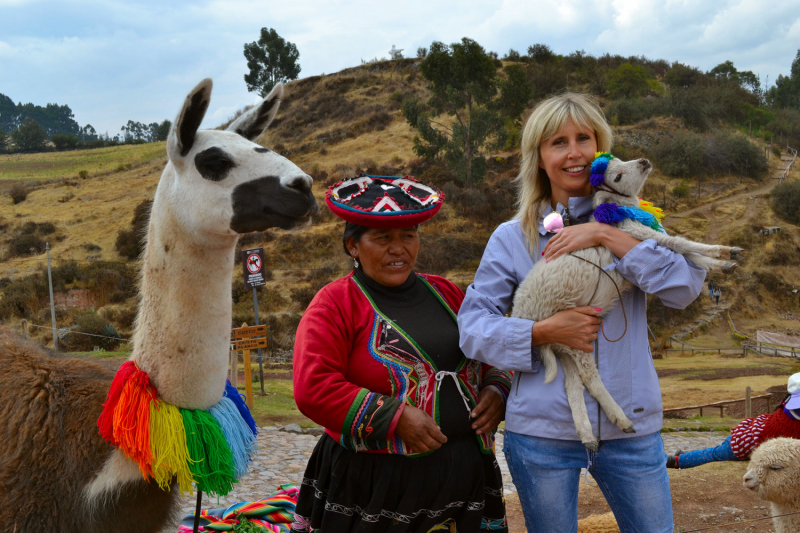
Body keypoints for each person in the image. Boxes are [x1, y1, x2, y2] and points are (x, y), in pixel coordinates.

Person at [458, 93, 706, 533]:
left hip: (632, 433)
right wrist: (541, 331)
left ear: (601, 148)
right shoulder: (511, 238)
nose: (574, 152)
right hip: (540, 437)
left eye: (584, 139)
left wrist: (608, 237)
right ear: (538, 157)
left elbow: (685, 289)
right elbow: (474, 329)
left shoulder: (638, 223)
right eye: (558, 142)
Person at [290, 175, 512, 533]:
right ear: (353, 246)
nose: (399, 248)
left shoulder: (446, 292)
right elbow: (313, 387)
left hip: (464, 478)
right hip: (373, 487)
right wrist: (394, 417)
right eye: (383, 238)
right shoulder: (334, 304)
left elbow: (489, 347)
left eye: (408, 235)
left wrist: (496, 388)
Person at [667, 373, 800, 469]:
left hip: (750, 430)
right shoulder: (792, 421)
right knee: (714, 454)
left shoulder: (787, 406)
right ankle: (678, 461)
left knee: (715, 450)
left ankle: (687, 455)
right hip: (742, 443)